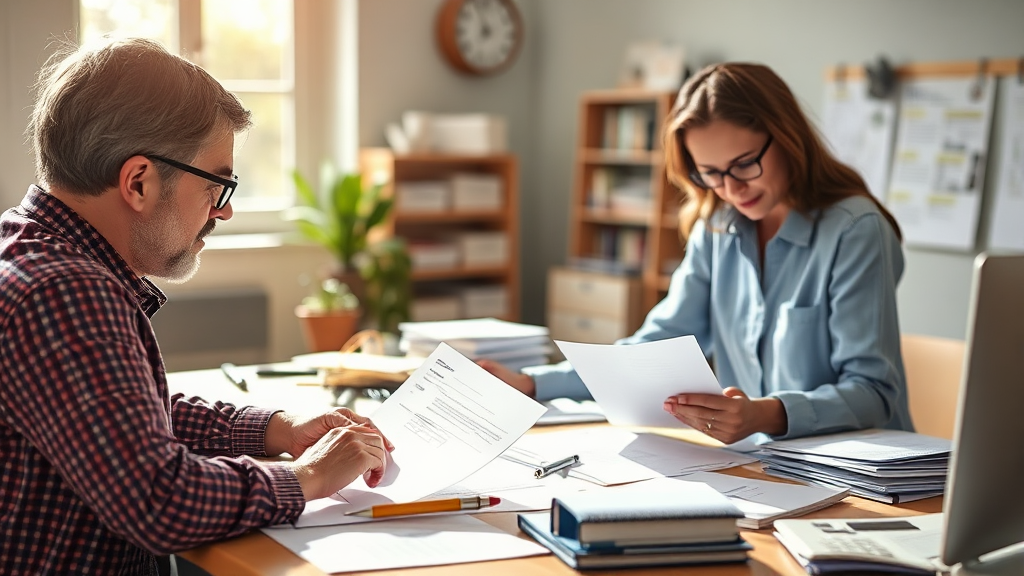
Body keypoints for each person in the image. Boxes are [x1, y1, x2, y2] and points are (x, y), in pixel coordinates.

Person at [0, 38, 392, 575]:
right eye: (217, 185)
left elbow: (116, 417)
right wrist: (310, 477)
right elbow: (158, 498)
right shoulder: (65, 290)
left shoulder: (27, 246)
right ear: (139, 181)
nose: (223, 212)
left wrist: (276, 427)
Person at [481, 62, 911, 446]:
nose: (731, 188)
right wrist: (533, 384)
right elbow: (653, 350)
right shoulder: (717, 227)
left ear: (786, 138)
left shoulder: (855, 231)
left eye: (744, 164)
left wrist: (765, 414)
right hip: (766, 470)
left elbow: (873, 392)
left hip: (868, 476)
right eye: (710, 173)